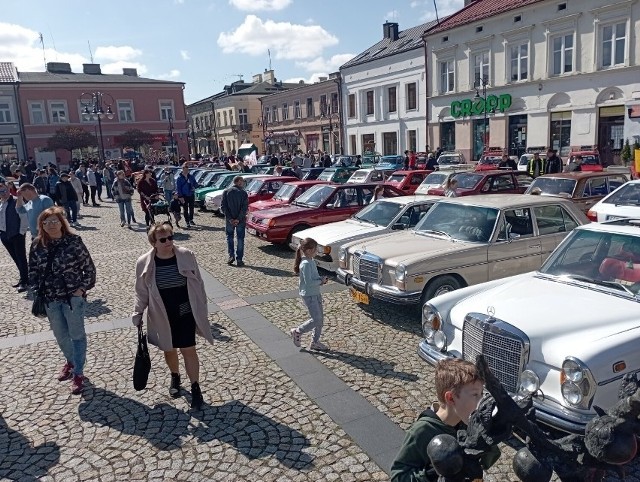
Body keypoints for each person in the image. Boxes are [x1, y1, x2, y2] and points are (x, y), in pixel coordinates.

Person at [132, 222, 214, 410]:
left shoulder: (186, 255)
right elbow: (141, 291)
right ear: (154, 242)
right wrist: (137, 313)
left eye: (170, 237)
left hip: (185, 310)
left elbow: (198, 284)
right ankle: (175, 376)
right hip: (161, 312)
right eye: (163, 239)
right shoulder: (144, 262)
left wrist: (201, 308)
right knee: (169, 349)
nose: (168, 241)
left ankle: (195, 388)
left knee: (188, 348)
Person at [390, 358, 500, 482]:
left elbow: (488, 460)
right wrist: (434, 472)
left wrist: (487, 440)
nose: (481, 402)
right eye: (475, 395)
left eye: (481, 394)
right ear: (451, 398)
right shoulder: (423, 431)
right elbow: (398, 476)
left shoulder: (467, 423)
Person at [28, 206, 96, 395]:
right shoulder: (37, 244)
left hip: (72, 299)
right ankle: (71, 361)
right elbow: (32, 270)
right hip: (50, 298)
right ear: (41, 224)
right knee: (60, 335)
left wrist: (81, 289)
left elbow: (88, 267)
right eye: (46, 222)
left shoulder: (74, 241)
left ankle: (79, 373)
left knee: (77, 335)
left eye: (54, 221)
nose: (51, 225)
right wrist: (36, 290)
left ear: (62, 223)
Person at [289, 237, 329, 351]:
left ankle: (315, 342)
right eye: (316, 249)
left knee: (320, 320)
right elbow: (309, 282)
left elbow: (313, 279)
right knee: (316, 319)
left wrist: (321, 279)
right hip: (309, 295)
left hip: (315, 293)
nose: (317, 252)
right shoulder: (305, 264)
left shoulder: (311, 261)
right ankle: (297, 331)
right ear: (310, 250)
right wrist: (320, 281)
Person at [0, 180, 29, 291]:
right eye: (1, 191)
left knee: (21, 258)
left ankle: (25, 281)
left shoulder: (17, 201)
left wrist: (22, 232)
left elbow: (24, 218)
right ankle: (24, 277)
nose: (3, 193)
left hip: (17, 234)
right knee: (15, 258)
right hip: (4, 235)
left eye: (5, 190)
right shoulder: (1, 203)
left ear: (9, 190)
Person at [221, 176, 248, 266]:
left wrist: (230, 219)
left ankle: (231, 256)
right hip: (240, 220)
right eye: (243, 181)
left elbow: (223, 207)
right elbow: (244, 208)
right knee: (240, 239)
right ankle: (239, 259)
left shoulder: (226, 192)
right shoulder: (243, 193)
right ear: (239, 182)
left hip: (230, 220)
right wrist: (238, 219)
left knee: (230, 238)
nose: (243, 183)